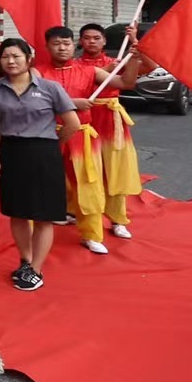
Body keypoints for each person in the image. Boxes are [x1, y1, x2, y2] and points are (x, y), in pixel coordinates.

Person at [0, 38, 81, 292]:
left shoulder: (49, 88)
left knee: (43, 215)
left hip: (44, 154)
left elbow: (73, 123)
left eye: (16, 56)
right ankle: (25, 261)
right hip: (10, 151)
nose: (11, 61)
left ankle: (36, 268)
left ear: (28, 59)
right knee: (18, 212)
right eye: (5, 57)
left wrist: (53, 144)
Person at [35, 26, 139, 254]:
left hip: (81, 135)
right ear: (47, 47)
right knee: (41, 181)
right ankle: (35, 229)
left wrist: (134, 58)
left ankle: (91, 234)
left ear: (73, 45)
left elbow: (125, 83)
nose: (62, 48)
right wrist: (73, 103)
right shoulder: (37, 72)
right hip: (47, 134)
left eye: (66, 43)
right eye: (56, 44)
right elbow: (32, 100)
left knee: (87, 184)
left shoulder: (90, 71)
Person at [77, 22, 144, 241]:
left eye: (96, 38)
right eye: (87, 38)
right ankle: (79, 213)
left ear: (104, 41)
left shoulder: (117, 61)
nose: (92, 42)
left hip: (110, 120)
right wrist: (105, 71)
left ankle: (118, 219)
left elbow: (144, 70)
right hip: (84, 119)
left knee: (115, 170)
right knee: (85, 171)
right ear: (80, 41)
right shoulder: (75, 65)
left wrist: (135, 45)